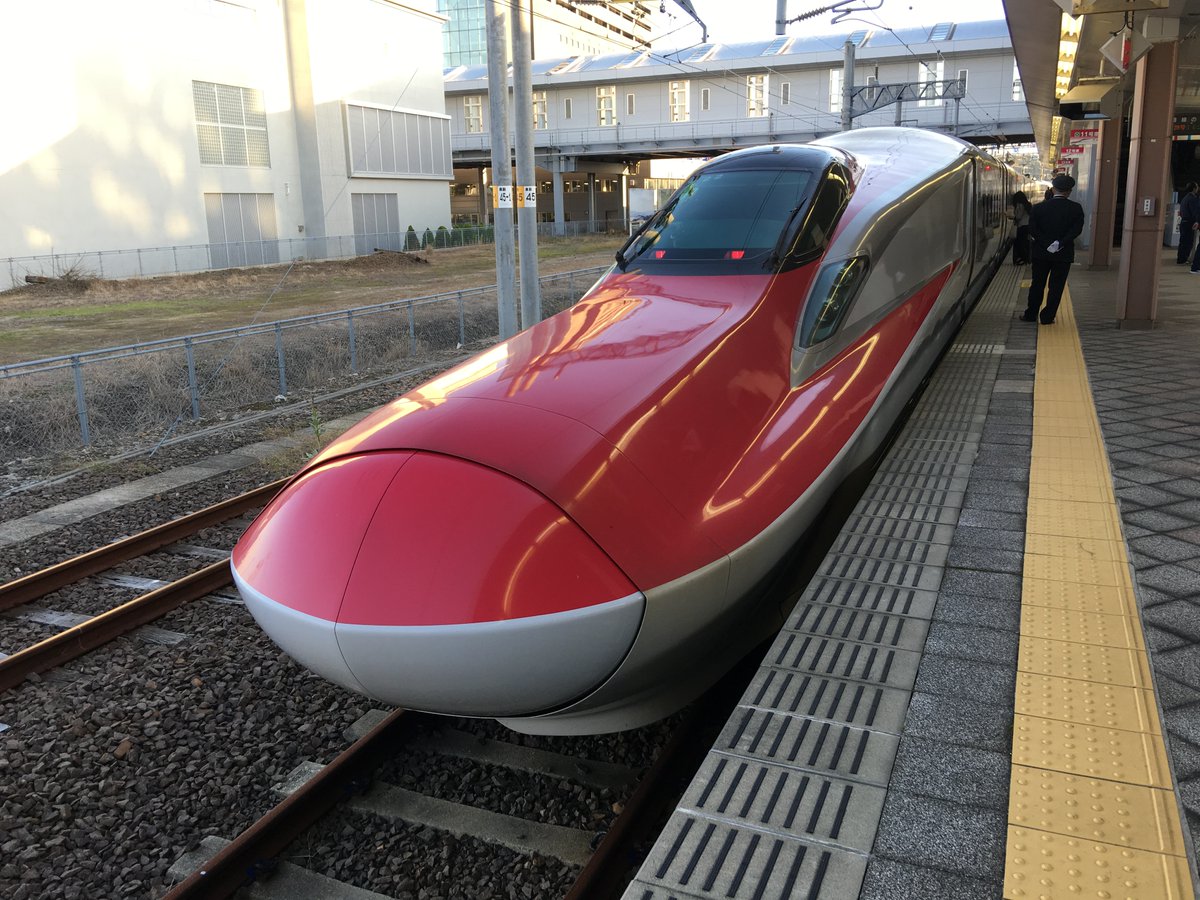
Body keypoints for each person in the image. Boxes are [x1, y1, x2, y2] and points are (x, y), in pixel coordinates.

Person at [1022, 174, 1085, 325]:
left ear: (1054, 189)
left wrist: (1046, 244)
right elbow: (1076, 230)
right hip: (1063, 255)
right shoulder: (1076, 208)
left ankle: (1031, 315)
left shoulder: (1039, 207)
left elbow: (1032, 229)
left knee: (1037, 284)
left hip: (1041, 254)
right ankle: (1047, 317)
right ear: (1069, 191)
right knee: (1056, 287)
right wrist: (1060, 243)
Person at [1010, 191, 1032, 265]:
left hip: (1021, 227)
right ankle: (1026, 259)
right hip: (1027, 226)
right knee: (1025, 244)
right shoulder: (1028, 205)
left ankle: (1021, 259)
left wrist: (1011, 216)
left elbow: (1018, 217)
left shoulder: (1019, 205)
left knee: (1020, 244)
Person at [1181, 183, 1200, 266]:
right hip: (1189, 223)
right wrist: (1197, 221)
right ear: (1194, 188)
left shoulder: (1185, 198)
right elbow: (1195, 211)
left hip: (1184, 221)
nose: (1198, 188)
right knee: (1188, 242)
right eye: (1197, 187)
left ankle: (1181, 259)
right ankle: (1184, 259)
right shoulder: (1192, 199)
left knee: (1183, 241)